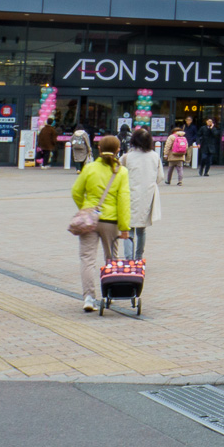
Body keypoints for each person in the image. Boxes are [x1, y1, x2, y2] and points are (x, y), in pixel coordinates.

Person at [71, 135, 132, 313]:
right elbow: (124, 200)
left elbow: (76, 191)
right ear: (118, 150)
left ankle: (89, 297)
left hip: (90, 219)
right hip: (111, 221)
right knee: (111, 258)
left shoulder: (89, 168)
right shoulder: (121, 172)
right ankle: (110, 294)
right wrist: (124, 226)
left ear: (98, 148)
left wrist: (84, 208)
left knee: (87, 259)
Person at [122, 128, 162, 257]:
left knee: (129, 229)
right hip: (147, 195)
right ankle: (139, 257)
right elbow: (160, 177)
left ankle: (129, 258)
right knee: (141, 229)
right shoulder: (155, 156)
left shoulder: (127, 157)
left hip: (129, 195)